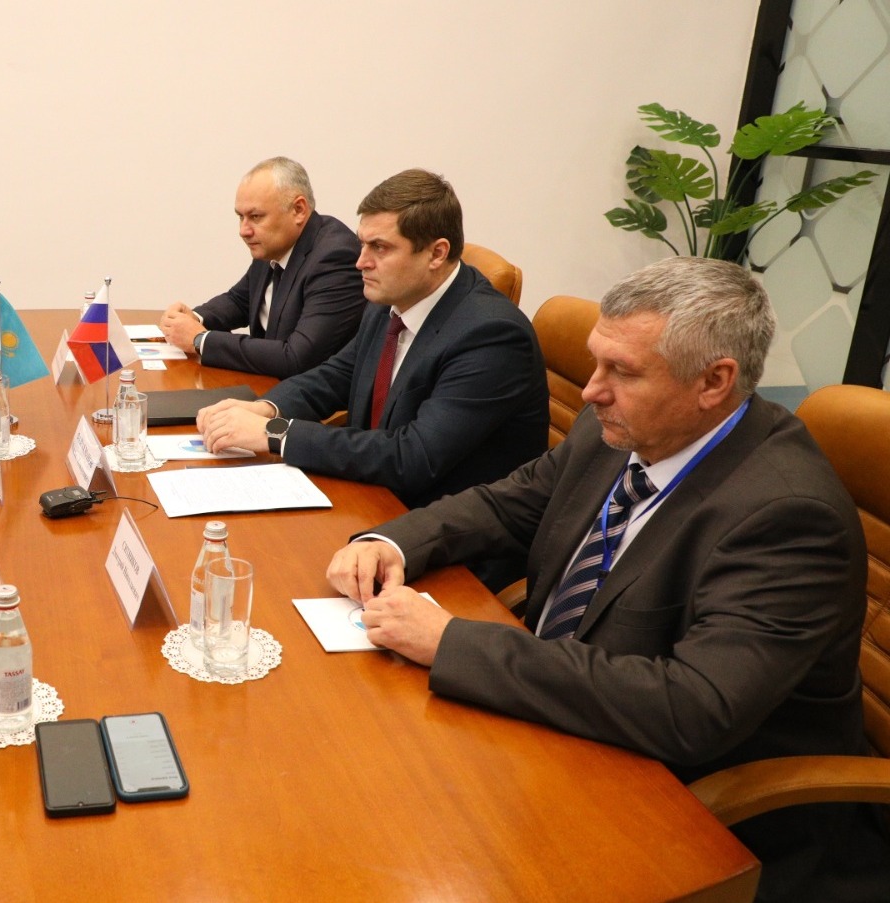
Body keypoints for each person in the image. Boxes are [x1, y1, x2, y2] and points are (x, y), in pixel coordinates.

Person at [326, 256, 890, 902]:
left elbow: (692, 708)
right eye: (596, 362)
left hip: (690, 808)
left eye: (622, 371)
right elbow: (512, 502)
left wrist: (452, 641)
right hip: (566, 724)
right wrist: (391, 541)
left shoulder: (787, 516)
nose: (592, 390)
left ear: (715, 381)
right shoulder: (628, 429)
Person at [198, 169, 545, 587]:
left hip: (448, 549)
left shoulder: (491, 335)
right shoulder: (392, 297)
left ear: (436, 253)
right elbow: (339, 373)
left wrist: (276, 434)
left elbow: (412, 457)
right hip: (374, 502)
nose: (360, 261)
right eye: (363, 243)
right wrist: (266, 408)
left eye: (379, 247)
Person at [158, 157, 364, 378]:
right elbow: (240, 301)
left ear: (298, 210)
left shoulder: (335, 258)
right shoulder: (273, 245)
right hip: (268, 383)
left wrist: (201, 340)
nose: (244, 231)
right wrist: (194, 318)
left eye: (255, 217)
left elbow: (297, 357)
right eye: (241, 217)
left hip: (311, 395)